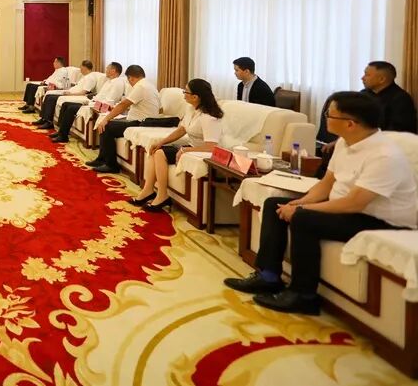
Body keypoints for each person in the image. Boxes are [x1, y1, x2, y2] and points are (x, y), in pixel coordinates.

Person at [224, 91, 416, 315]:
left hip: (379, 220)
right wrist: (299, 202)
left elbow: (354, 203)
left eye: (329, 115)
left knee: (303, 218)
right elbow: (326, 184)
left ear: (350, 123)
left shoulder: (384, 156)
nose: (325, 119)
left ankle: (303, 295)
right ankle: (268, 276)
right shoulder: (345, 142)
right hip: (347, 207)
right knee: (274, 203)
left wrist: (301, 209)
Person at [133, 79, 224, 211]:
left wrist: (186, 150)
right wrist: (161, 142)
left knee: (160, 153)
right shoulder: (191, 109)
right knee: (156, 150)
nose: (183, 94)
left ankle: (162, 195)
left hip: (203, 152)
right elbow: (182, 129)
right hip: (191, 147)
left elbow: (211, 147)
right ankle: (148, 190)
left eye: (186, 91)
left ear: (195, 97)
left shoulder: (210, 117)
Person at [86, 65, 161, 173]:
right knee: (110, 123)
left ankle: (111, 165)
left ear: (131, 78)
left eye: (128, 80)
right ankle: (101, 159)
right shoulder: (150, 85)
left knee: (106, 126)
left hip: (140, 123)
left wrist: (106, 118)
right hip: (145, 120)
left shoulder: (140, 86)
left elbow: (124, 104)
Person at [50, 62, 127, 142]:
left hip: (100, 106)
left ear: (113, 71)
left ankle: (63, 136)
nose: (106, 70)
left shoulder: (118, 83)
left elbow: (110, 100)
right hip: (94, 102)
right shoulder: (109, 81)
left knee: (71, 108)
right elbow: (100, 95)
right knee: (66, 104)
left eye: (107, 68)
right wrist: (92, 100)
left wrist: (93, 102)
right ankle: (60, 131)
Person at [34, 60, 102, 129]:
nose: (80, 69)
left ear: (84, 67)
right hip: (70, 91)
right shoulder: (85, 76)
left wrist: (71, 94)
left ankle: (49, 122)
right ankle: (44, 118)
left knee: (51, 98)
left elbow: (84, 92)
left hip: (73, 94)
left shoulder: (91, 78)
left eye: (81, 67)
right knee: (49, 96)